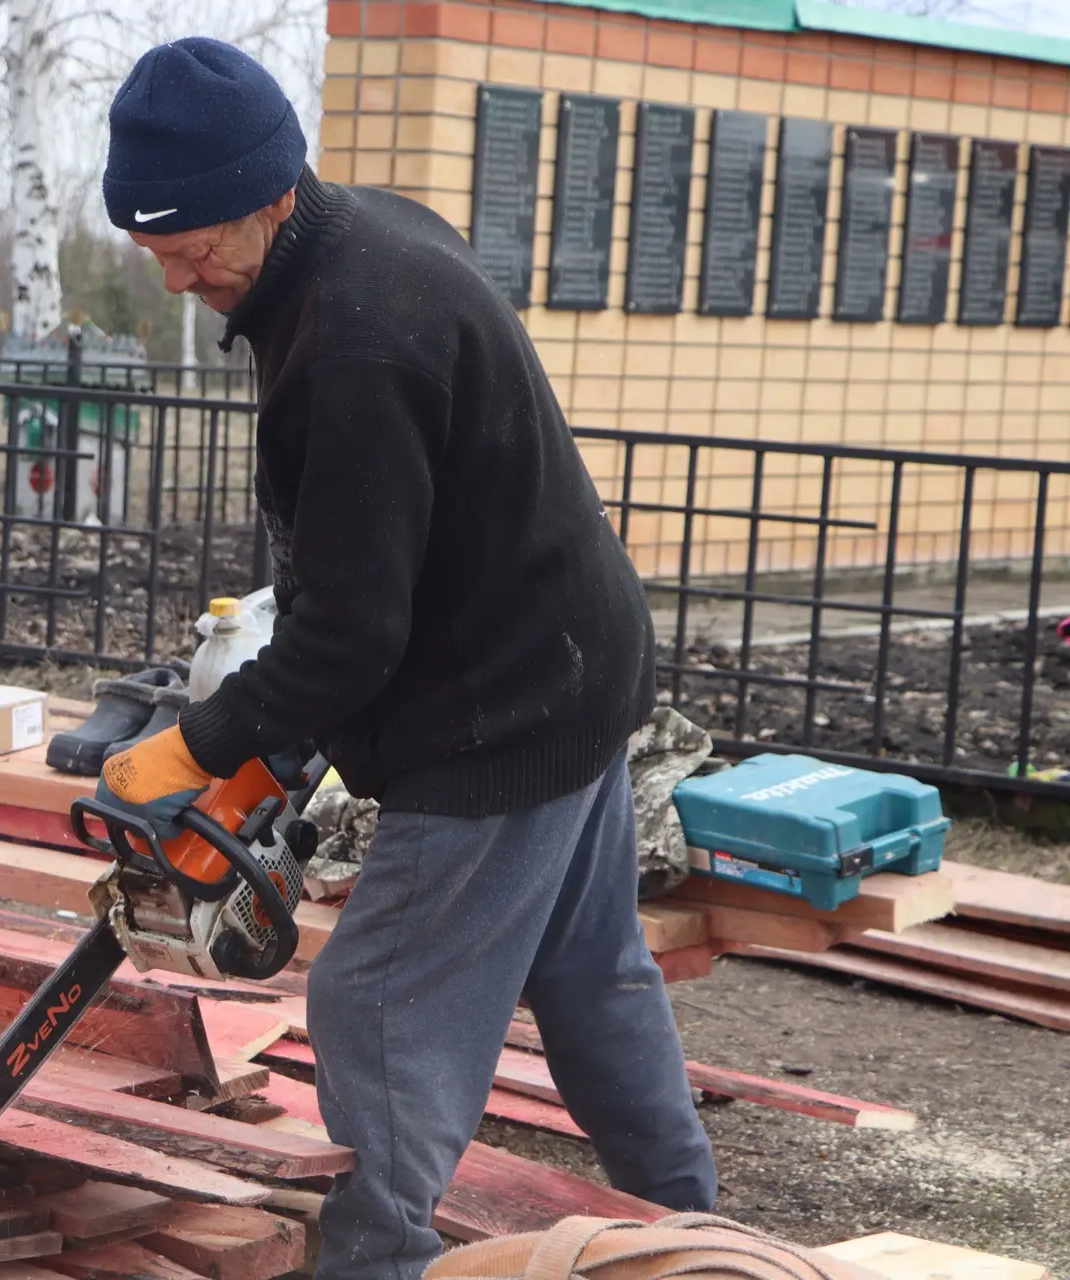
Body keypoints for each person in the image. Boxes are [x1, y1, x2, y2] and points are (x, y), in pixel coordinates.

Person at [91, 36, 719, 1280]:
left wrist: (201, 743)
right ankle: (696, 1227)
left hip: (502, 705)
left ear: (271, 194)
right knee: (586, 970)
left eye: (194, 249)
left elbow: (352, 632)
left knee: (373, 1000)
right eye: (155, 252)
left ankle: (377, 1260)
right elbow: (369, 564)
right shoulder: (359, 242)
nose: (176, 277)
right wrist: (277, 738)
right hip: (568, 655)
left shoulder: (359, 340)